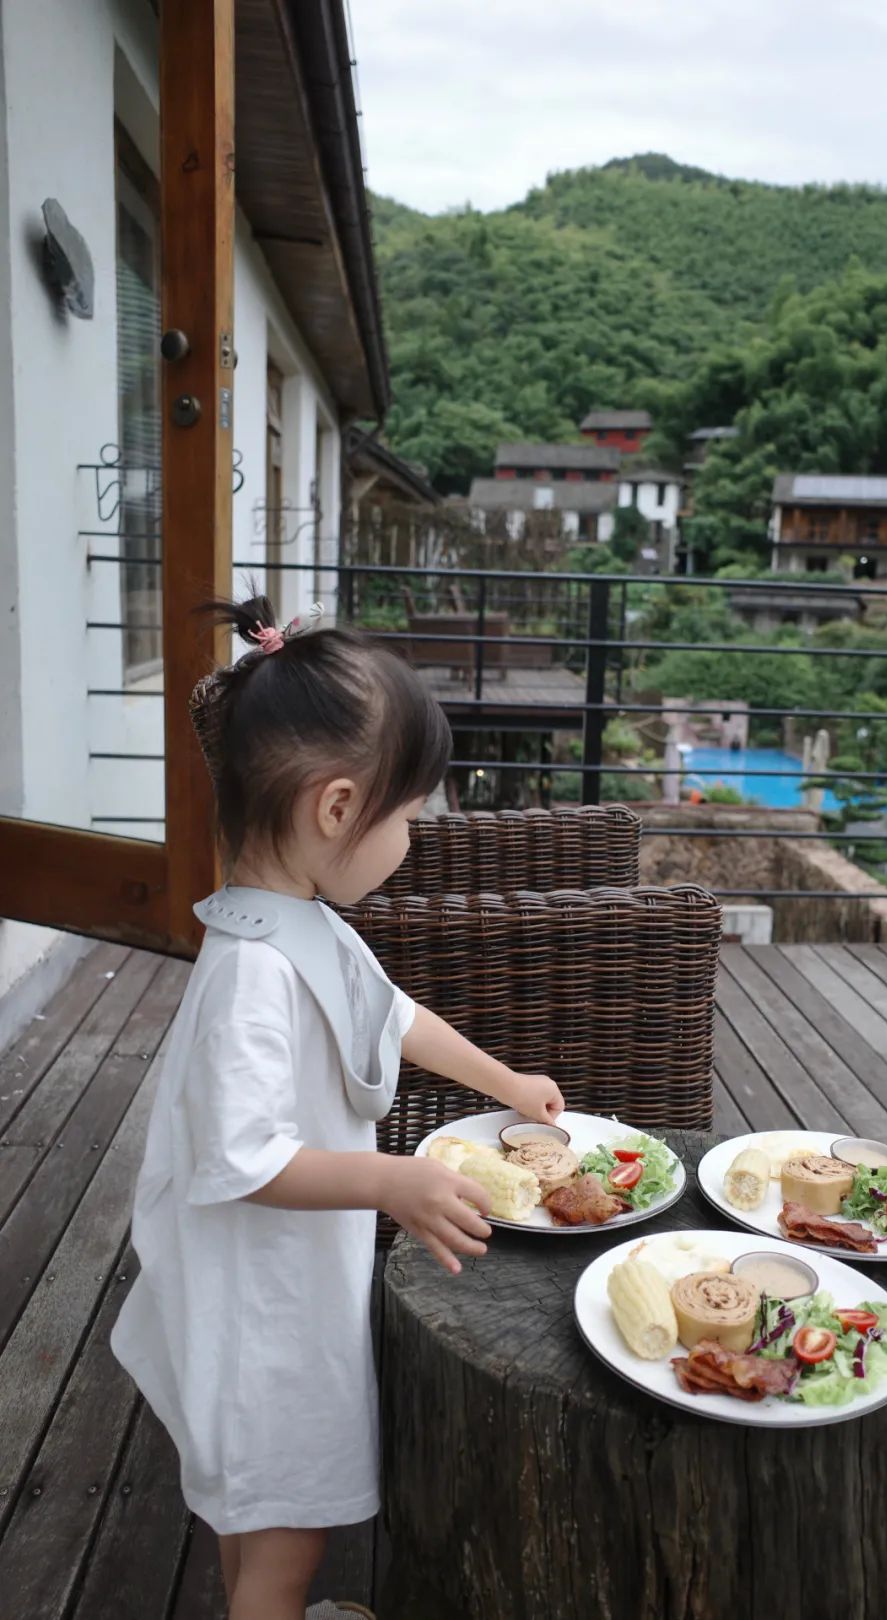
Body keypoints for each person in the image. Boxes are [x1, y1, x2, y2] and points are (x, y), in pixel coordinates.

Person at [111, 595, 563, 1620]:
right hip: (255, 1312)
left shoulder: (303, 921)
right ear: (335, 807)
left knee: (257, 1517)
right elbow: (244, 1154)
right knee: (283, 1538)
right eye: (405, 817)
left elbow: (390, 1014)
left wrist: (505, 1082)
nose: (411, 839)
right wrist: (390, 1180)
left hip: (283, 1285)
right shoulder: (250, 975)